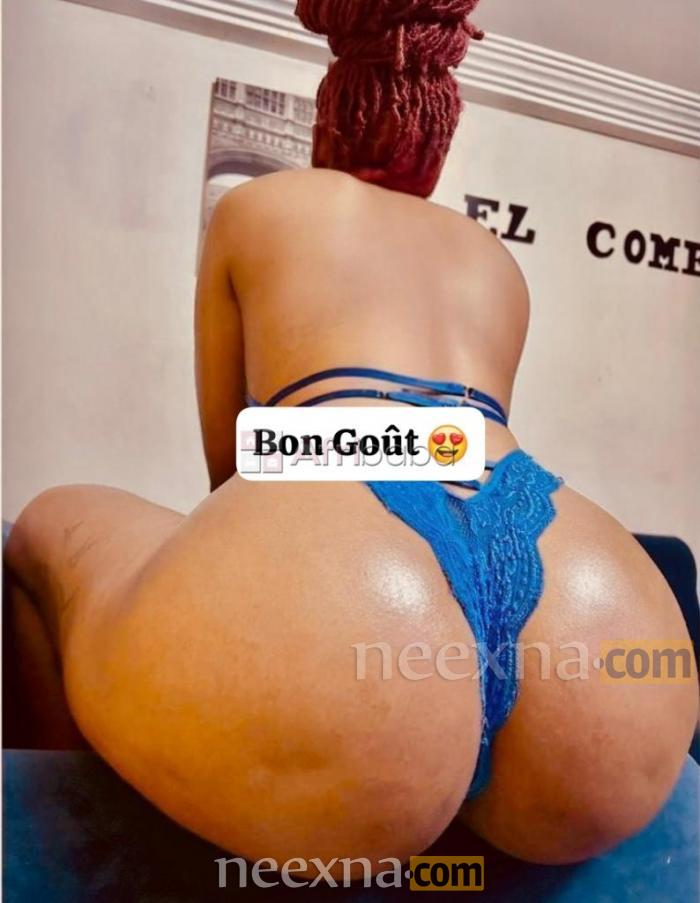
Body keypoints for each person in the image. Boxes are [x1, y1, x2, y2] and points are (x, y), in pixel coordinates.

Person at [4, 0, 697, 873]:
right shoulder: (495, 259)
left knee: (47, 524)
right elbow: (451, 457)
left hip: (340, 601)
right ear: (438, 138)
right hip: (598, 639)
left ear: (330, 114)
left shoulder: (259, 207)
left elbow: (236, 471)